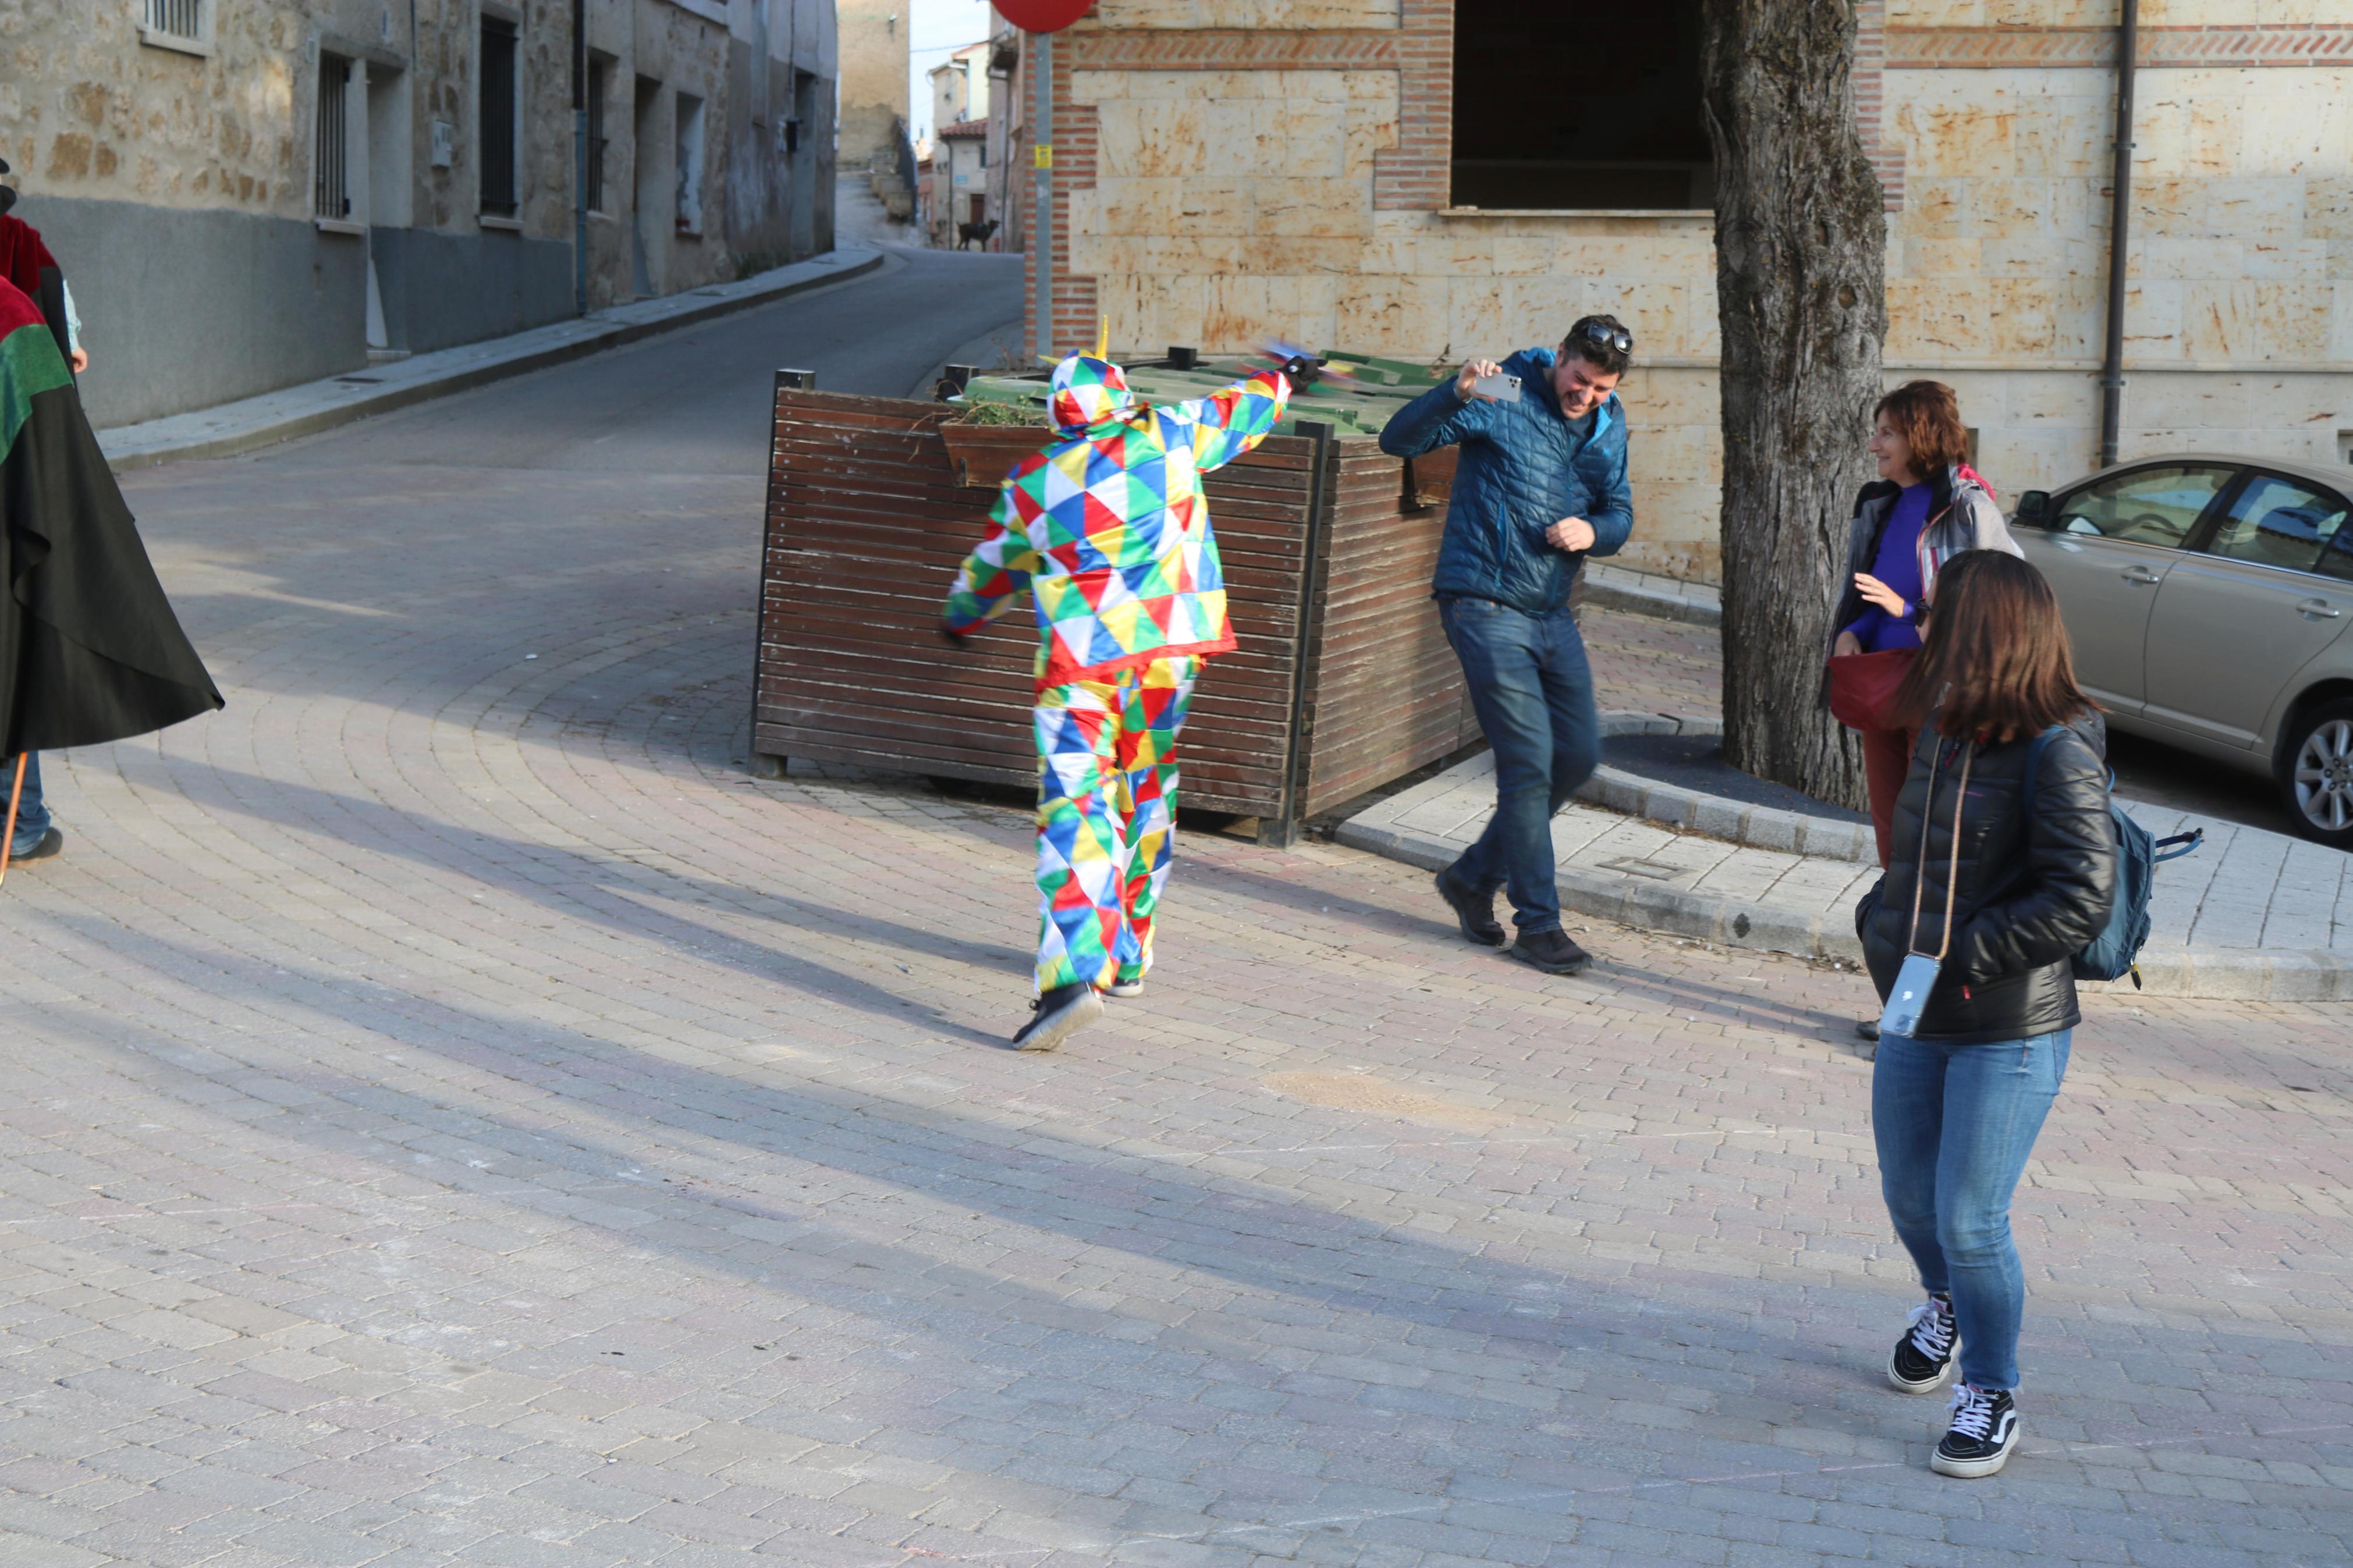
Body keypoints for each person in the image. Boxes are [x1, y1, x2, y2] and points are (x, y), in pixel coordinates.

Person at [942, 351, 1291, 1051]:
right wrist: (1287, 374)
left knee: (1078, 807)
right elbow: (1251, 403)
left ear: (1056, 414)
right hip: (1169, 656)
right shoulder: (1169, 435)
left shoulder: (1033, 482)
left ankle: (1074, 976)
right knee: (1147, 788)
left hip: (1082, 666)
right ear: (1122, 401)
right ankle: (1129, 955)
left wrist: (960, 618)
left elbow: (988, 576)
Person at [1857, 550, 2117, 1480]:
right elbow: (1917, 853)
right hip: (1917, 1005)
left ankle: (1991, 1387)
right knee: (1905, 1192)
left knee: (1970, 1215)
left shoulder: (2056, 745)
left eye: (1937, 612)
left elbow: (2080, 894)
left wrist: (1966, 955)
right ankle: (1947, 1301)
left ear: (1984, 630)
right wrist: (1881, 926)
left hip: (2009, 1024)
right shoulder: (1946, 722)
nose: (1921, 623)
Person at [1378, 315, 1634, 975]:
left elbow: (1620, 510)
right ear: (1560, 357)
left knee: (1574, 757)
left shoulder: (1608, 423)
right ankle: (1538, 924)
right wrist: (1455, 392)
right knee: (1528, 761)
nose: (1586, 396)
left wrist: (1594, 531)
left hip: (1551, 612)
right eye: (1579, 379)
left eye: (1601, 388)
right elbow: (1397, 439)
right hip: (1482, 602)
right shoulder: (1507, 390)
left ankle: (1470, 877)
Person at [1830, 381, 2021, 870]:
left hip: (1939, 687)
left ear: (1920, 435)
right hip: (1881, 680)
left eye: (1887, 433)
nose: (1874, 445)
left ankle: (1924, 934)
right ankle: (1891, 927)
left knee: (1928, 827)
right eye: (1876, 433)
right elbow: (1874, 592)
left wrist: (1909, 610)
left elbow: (2004, 601)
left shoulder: (1968, 508)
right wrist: (1855, 629)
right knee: (1891, 825)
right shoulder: (1880, 503)